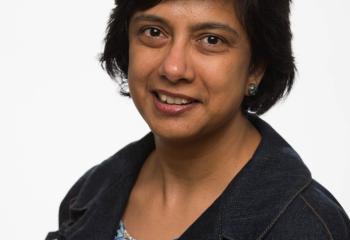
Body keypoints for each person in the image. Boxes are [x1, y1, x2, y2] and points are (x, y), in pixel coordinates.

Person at [46, 0, 350, 239]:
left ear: (255, 68)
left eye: (211, 40)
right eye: (154, 32)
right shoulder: (89, 193)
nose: (174, 68)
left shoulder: (305, 227)